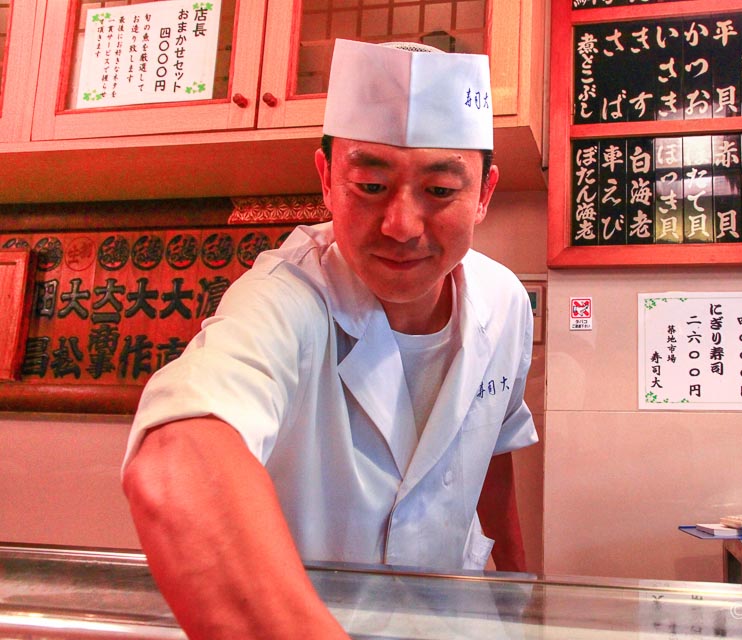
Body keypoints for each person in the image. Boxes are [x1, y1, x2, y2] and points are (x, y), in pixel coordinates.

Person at [121, 38, 539, 639]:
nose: (401, 225)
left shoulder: (503, 301)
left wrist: (521, 595)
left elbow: (494, 445)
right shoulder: (284, 297)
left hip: (452, 621)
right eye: (370, 186)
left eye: (440, 191)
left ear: (485, 195)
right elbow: (178, 454)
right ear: (325, 179)